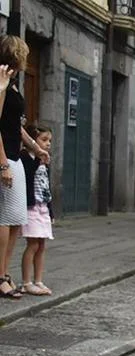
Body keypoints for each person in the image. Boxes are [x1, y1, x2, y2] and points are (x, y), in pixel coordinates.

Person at [0, 38, 48, 300]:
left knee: (16, 219)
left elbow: (15, 126)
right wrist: (3, 164)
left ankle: (4, 272)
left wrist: (35, 147)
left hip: (14, 155)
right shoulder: (2, 82)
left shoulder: (12, 82)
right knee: (5, 218)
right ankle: (0, 276)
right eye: (24, 53)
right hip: (5, 158)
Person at [18, 125, 52, 295]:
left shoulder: (44, 160)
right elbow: (27, 177)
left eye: (49, 141)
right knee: (32, 244)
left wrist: (50, 210)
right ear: (32, 140)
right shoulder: (25, 157)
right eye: (44, 140)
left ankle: (38, 280)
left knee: (41, 245)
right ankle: (26, 282)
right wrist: (39, 158)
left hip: (43, 207)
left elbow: (46, 187)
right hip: (31, 207)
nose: (48, 144)